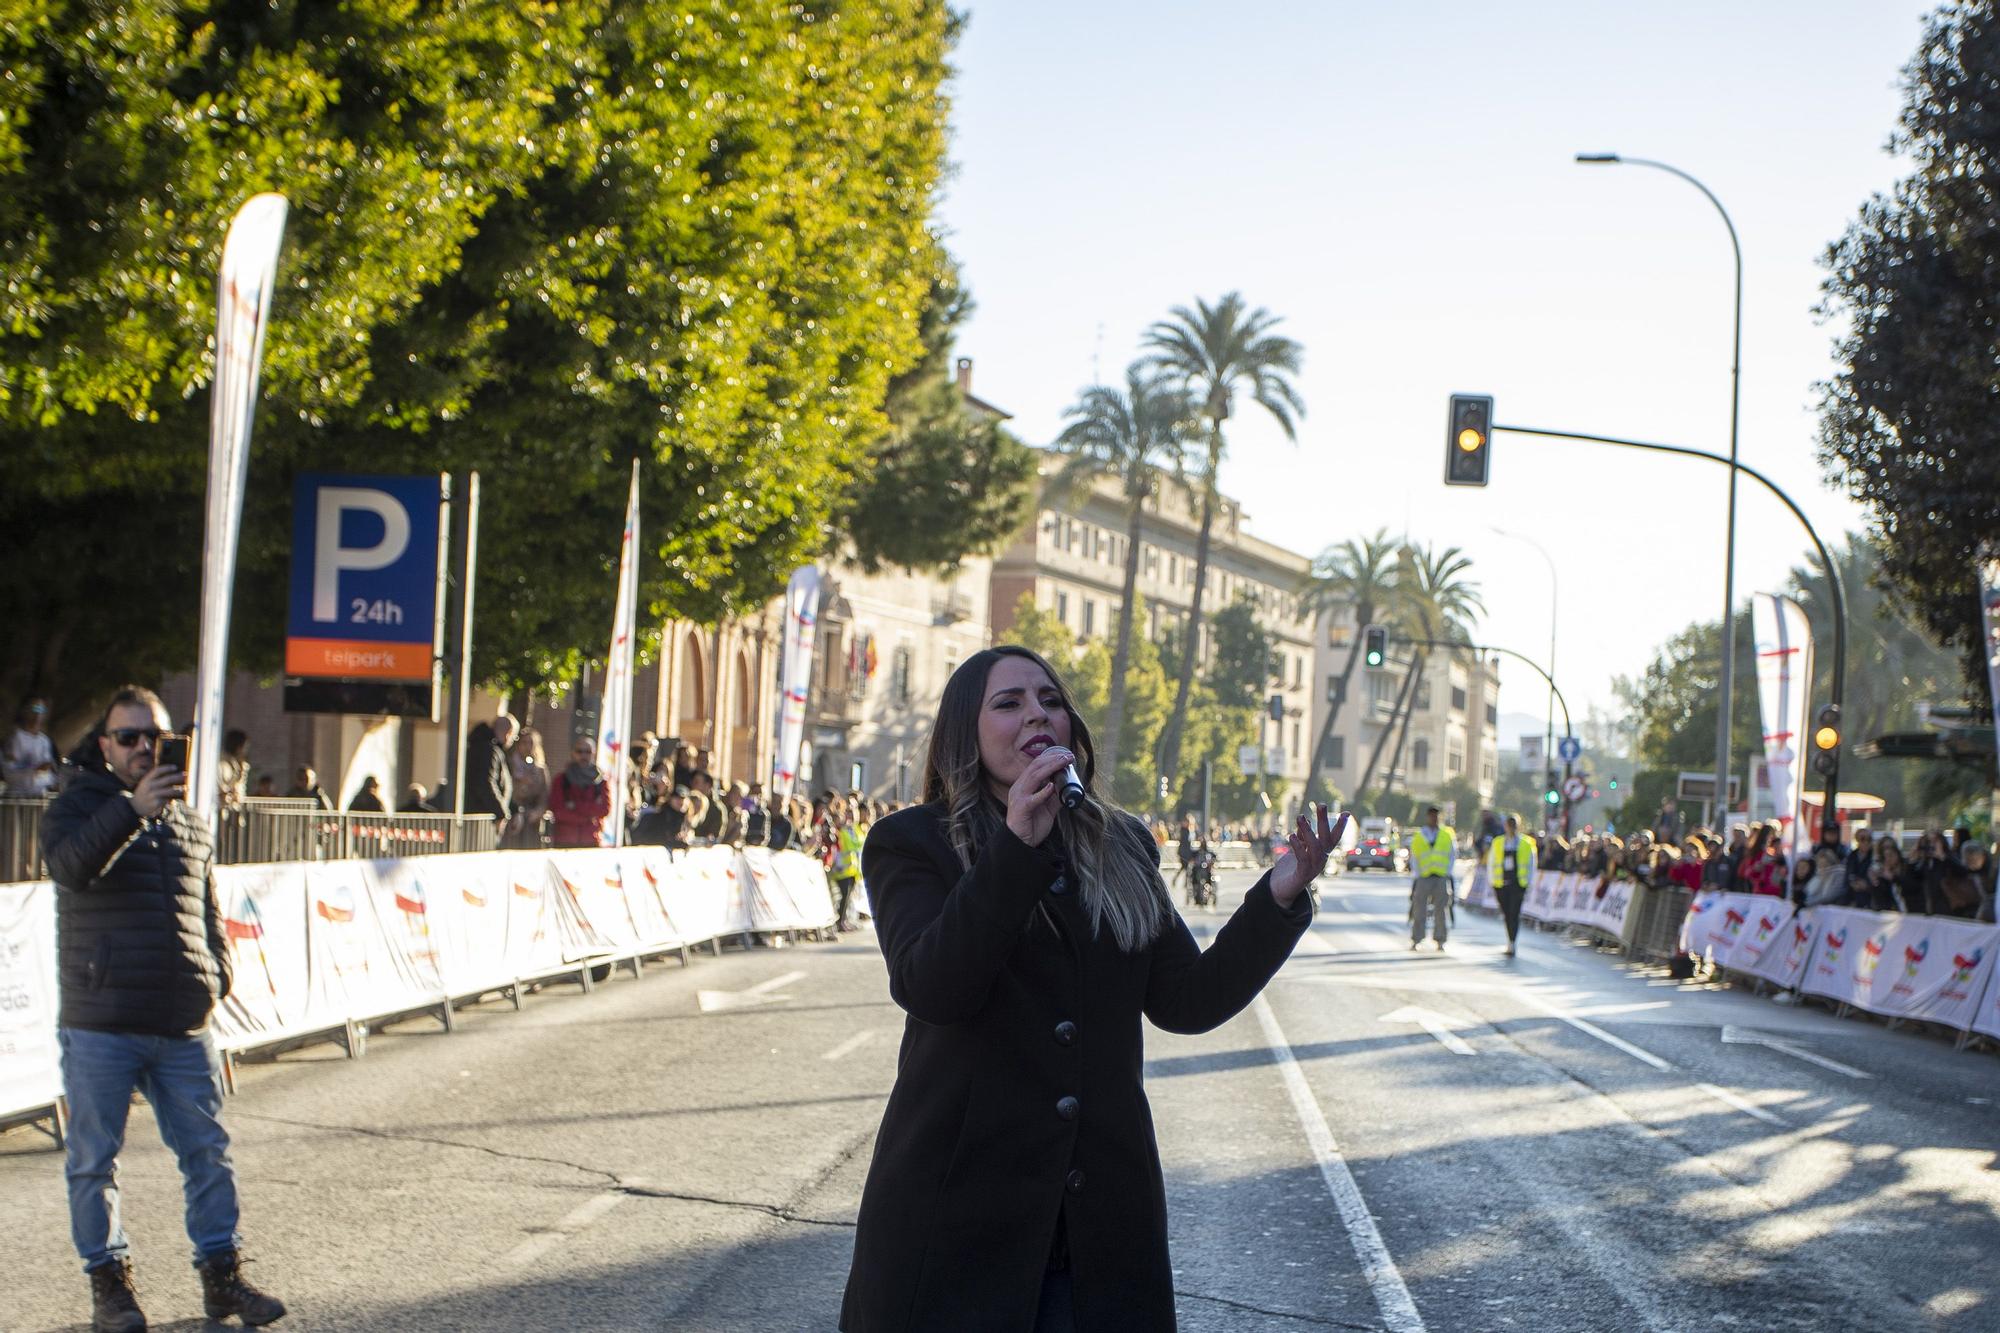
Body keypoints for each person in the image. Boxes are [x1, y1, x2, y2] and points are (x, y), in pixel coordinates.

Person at [839, 646, 1333, 1331]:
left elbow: (1185, 999)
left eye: (1050, 699)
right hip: (960, 1221)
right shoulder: (912, 842)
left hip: (1100, 1227)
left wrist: (1277, 896)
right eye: (1008, 702)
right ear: (965, 731)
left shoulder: (1122, 841)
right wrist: (1015, 846)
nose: (1036, 713)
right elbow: (933, 986)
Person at [41, 686, 285, 1330]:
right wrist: (130, 810)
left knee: (208, 1153)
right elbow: (69, 868)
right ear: (104, 745)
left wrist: (216, 975)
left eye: (155, 736)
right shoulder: (75, 806)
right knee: (95, 1161)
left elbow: (207, 909)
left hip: (181, 1023)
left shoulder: (189, 818)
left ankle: (222, 1278)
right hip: (104, 1022)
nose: (143, 748)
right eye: (128, 738)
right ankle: (111, 1289)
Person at [548, 737, 611, 848]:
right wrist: (586, 817)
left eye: (588, 752)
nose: (583, 755)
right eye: (579, 751)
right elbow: (557, 810)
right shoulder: (561, 780)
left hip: (591, 840)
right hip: (565, 841)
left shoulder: (601, 782)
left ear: (594, 753)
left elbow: (604, 809)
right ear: (573, 753)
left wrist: (575, 806)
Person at [1486, 814, 1535, 957]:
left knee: (1514, 913)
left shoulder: (1526, 844)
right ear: (1505, 826)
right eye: (1509, 825)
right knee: (1507, 913)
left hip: (1518, 884)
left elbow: (1532, 865)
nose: (1511, 828)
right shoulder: (1498, 842)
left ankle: (1512, 941)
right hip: (1501, 884)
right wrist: (1492, 882)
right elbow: (1491, 862)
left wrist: (1529, 883)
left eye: (1514, 825)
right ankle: (1510, 938)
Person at [1409, 804, 1454, 950]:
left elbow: (1452, 855)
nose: (1433, 819)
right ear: (1427, 817)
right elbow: (1414, 857)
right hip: (1424, 877)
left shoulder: (1446, 835)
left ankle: (1440, 939)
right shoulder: (1420, 835)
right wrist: (1417, 874)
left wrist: (1447, 872)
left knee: (1440, 910)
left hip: (1440, 876)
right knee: (1419, 909)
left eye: (1436, 816)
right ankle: (1417, 938)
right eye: (1431, 816)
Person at [462, 712, 516, 822]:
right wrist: (502, 813)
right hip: (480, 817)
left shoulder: (478, 746)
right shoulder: (490, 751)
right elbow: (486, 784)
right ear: (508, 733)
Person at [4, 696, 60, 797]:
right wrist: (34, 771)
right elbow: (9, 772)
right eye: (35, 708)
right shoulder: (16, 738)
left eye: (41, 709)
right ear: (25, 711)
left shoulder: (44, 741)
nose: (38, 714)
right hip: (17, 798)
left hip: (38, 799)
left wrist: (48, 777)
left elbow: (49, 774)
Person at [506, 727, 551, 849]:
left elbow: (545, 796)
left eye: (531, 743)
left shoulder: (540, 770)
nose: (527, 746)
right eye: (524, 743)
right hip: (513, 817)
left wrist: (538, 812)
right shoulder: (510, 765)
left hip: (532, 820)